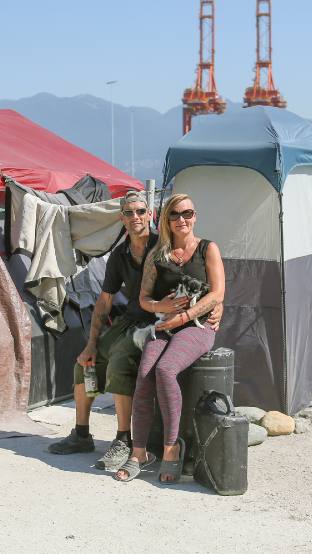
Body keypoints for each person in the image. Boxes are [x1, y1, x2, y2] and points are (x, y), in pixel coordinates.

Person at [47, 191, 221, 472]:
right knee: (84, 366)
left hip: (155, 323)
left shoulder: (162, 243)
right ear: (121, 218)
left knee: (120, 359)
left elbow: (199, 279)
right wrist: (91, 343)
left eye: (141, 211)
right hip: (131, 319)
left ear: (150, 215)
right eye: (129, 213)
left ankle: (123, 439)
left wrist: (216, 304)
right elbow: (104, 300)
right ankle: (81, 433)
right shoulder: (120, 255)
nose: (135, 217)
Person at [115, 193, 225, 483]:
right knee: (145, 374)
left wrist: (184, 318)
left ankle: (171, 447)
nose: (181, 220)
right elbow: (143, 297)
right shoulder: (158, 254)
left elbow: (217, 293)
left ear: (195, 216)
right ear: (165, 220)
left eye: (187, 213)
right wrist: (158, 308)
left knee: (165, 370)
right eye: (174, 215)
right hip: (163, 325)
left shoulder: (207, 248)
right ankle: (139, 452)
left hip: (198, 326)